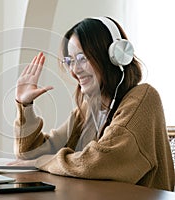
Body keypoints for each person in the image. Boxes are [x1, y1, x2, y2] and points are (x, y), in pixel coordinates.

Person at [12, 16, 175, 191]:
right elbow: (29, 153)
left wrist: (39, 162)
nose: (74, 70)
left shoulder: (144, 98)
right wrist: (25, 105)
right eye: (70, 61)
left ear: (114, 56)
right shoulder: (89, 109)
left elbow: (100, 161)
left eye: (82, 58)